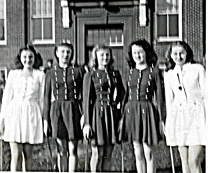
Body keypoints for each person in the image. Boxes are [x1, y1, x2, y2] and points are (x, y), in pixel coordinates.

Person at [0, 45, 45, 171]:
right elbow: (6, 99)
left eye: (30, 57)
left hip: (31, 115)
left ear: (35, 58)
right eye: (25, 57)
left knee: (28, 154)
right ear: (20, 58)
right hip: (14, 115)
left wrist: (42, 120)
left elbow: (41, 99)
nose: (27, 60)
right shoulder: (13, 74)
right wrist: (1, 120)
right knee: (16, 154)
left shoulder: (40, 75)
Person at [119, 39, 165, 173]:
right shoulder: (130, 72)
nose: (137, 56)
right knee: (137, 152)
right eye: (134, 53)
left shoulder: (154, 72)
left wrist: (162, 119)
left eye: (140, 52)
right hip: (131, 112)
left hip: (147, 112)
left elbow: (160, 97)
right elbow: (125, 96)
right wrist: (122, 116)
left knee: (148, 151)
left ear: (146, 53)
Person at [164, 41, 206, 173]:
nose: (178, 56)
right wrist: (168, 123)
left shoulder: (198, 69)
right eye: (175, 54)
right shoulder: (169, 74)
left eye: (181, 53)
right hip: (180, 119)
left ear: (187, 53)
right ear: (170, 55)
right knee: (184, 162)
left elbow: (206, 94)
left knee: (194, 161)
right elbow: (169, 100)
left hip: (197, 117)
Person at [82, 45, 125, 172]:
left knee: (108, 153)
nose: (105, 57)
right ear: (96, 57)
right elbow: (86, 100)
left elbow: (123, 94)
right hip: (97, 114)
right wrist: (87, 123)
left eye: (107, 55)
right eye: (101, 55)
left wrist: (116, 105)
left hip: (111, 114)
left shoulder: (115, 74)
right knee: (98, 153)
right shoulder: (90, 75)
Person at [43, 42, 84, 172]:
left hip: (73, 110)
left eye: (68, 52)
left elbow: (84, 95)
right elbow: (46, 97)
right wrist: (45, 120)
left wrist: (84, 116)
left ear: (71, 54)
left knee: (73, 147)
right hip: (57, 111)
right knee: (61, 148)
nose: (65, 55)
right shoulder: (50, 73)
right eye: (62, 52)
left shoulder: (78, 71)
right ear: (57, 53)